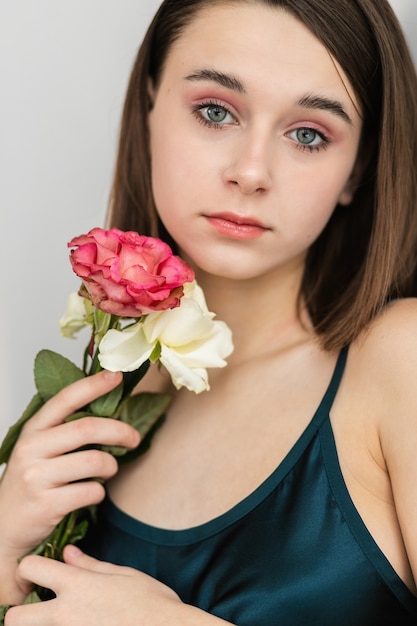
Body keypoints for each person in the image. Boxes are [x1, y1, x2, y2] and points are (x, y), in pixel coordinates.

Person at [1, 0, 417, 623]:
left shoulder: (400, 359)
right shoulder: (104, 399)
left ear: (356, 170)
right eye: (215, 111)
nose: (251, 172)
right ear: (149, 109)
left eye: (309, 134)